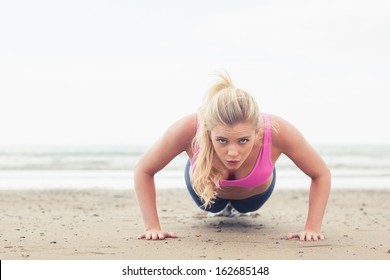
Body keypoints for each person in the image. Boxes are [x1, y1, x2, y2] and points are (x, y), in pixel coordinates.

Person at [134, 72, 331, 242]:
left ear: (258, 132)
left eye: (243, 140)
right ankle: (220, 208)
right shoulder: (188, 129)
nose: (233, 153)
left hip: (253, 198)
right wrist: (152, 227)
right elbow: (144, 170)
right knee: (213, 206)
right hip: (206, 195)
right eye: (221, 140)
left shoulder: (277, 130)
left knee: (245, 209)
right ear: (208, 131)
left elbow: (320, 173)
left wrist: (312, 228)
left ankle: (235, 208)